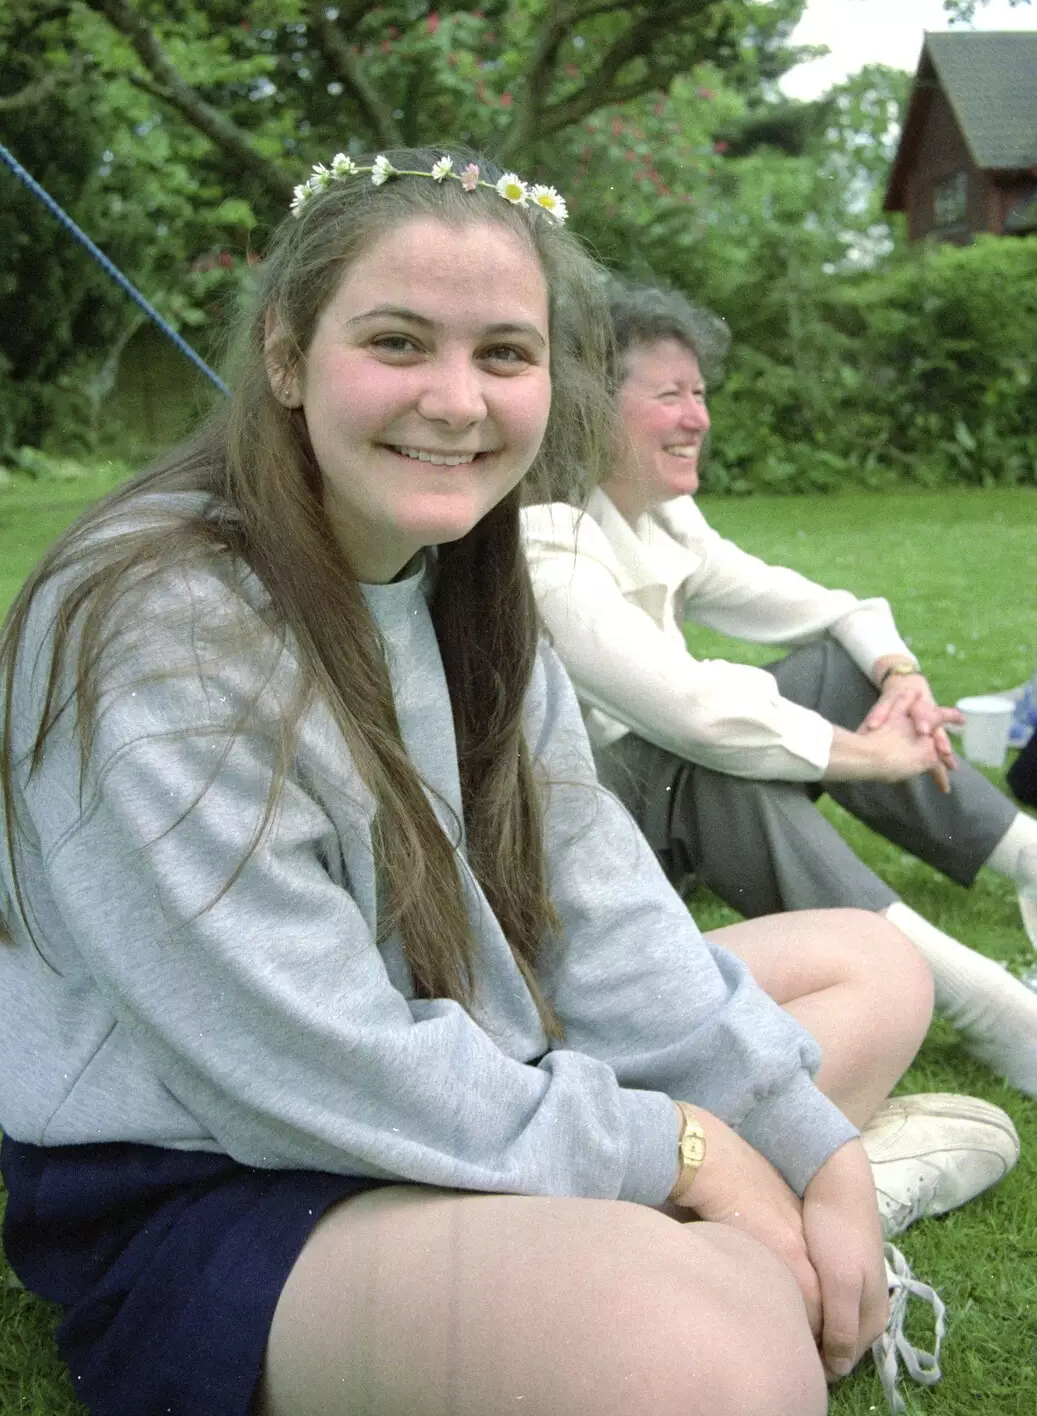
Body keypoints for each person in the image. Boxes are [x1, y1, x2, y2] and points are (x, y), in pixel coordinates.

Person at [0, 148, 966, 1416]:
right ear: (286, 355)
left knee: (874, 969)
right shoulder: (157, 618)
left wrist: (810, 1149)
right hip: (232, 1160)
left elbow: (604, 909)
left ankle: (732, 1225)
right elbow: (299, 1056)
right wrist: (680, 1147)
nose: (454, 401)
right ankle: (692, 1259)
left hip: (473, 1046)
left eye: (504, 354)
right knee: (715, 1364)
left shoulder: (469, 579)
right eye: (397, 342)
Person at [522, 277, 1037, 1104]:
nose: (698, 417)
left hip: (658, 806)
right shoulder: (541, 535)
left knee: (837, 668)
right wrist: (867, 756)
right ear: (586, 405)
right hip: (570, 855)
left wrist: (897, 676)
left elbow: (837, 611)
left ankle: (1027, 859)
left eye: (699, 393)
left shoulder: (661, 518)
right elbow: (690, 713)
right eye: (669, 395)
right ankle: (986, 1003)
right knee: (710, 764)